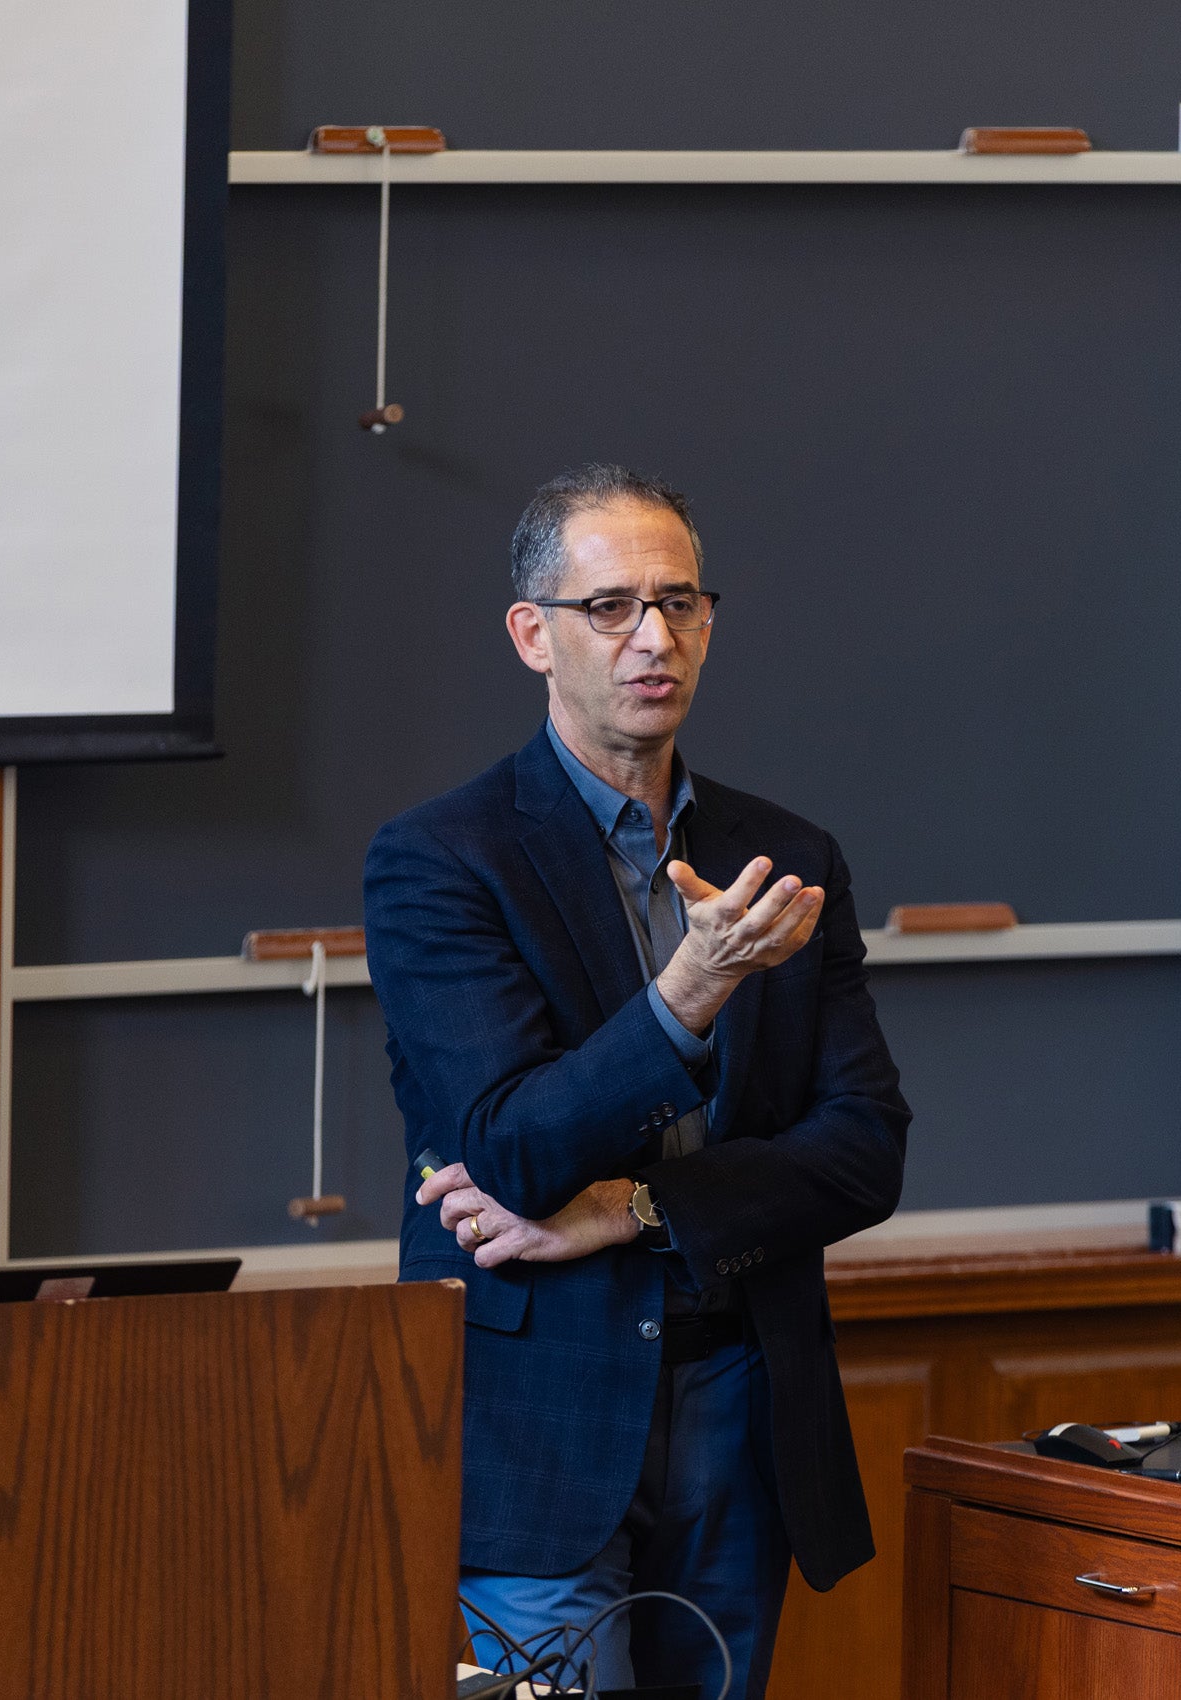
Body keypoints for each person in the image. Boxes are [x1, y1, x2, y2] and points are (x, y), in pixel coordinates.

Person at [363, 464, 910, 1697]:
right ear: (533, 635)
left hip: (739, 1398)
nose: (653, 637)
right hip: (539, 1429)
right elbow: (510, 1149)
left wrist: (634, 1208)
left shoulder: (783, 857)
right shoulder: (440, 859)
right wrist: (690, 992)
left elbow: (867, 1146)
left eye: (681, 602)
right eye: (610, 606)